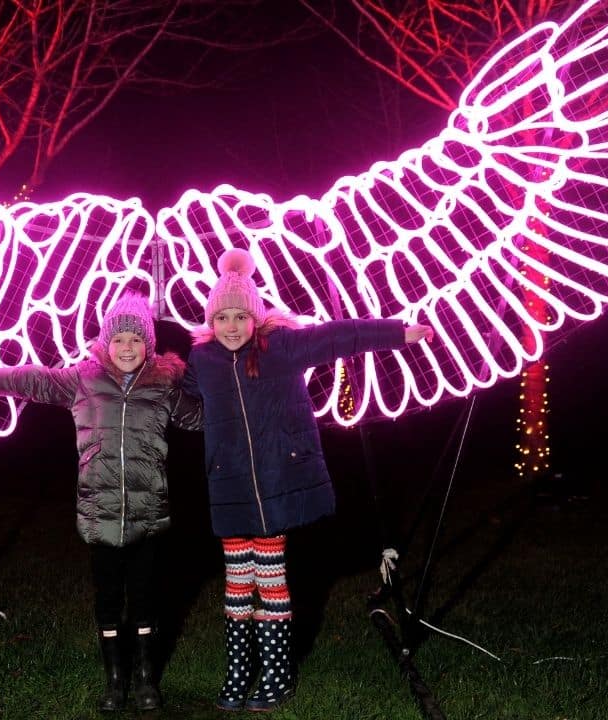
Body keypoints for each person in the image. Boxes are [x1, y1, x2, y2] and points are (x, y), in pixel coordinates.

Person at [181, 248, 433, 712]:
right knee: (237, 584)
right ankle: (239, 671)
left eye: (240, 316)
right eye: (222, 318)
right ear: (210, 321)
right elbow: (175, 394)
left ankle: (277, 675)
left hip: (276, 487)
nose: (232, 326)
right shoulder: (204, 361)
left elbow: (342, 336)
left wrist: (398, 332)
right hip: (230, 486)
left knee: (270, 580)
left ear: (256, 317)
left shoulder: (282, 347)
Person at [0, 292, 201, 713]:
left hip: (146, 515)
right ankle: (115, 680)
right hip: (98, 514)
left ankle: (144, 680)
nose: (127, 348)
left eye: (136, 340)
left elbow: (200, 417)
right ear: (106, 342)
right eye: (119, 339)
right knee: (107, 599)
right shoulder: (84, 380)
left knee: (143, 599)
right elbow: (34, 380)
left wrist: (225, 384)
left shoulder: (162, 385)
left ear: (149, 345)